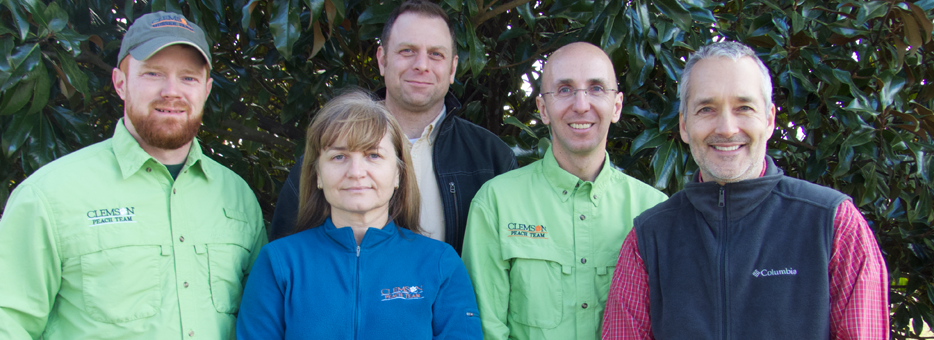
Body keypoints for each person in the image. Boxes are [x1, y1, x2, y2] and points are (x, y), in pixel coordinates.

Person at [0, 11, 267, 339]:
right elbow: (9, 323)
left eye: (188, 78)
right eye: (153, 74)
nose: (172, 91)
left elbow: (261, 321)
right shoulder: (48, 195)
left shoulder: (237, 197)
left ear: (207, 89)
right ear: (120, 83)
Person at [601, 41, 889, 340]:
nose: (726, 127)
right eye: (707, 109)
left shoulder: (833, 223)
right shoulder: (649, 237)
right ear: (685, 126)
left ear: (769, 120)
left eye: (744, 108)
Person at [269, 0, 517, 254]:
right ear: (382, 59)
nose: (422, 65)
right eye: (407, 51)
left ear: (452, 68)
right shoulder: (329, 155)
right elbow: (285, 257)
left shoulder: (492, 157)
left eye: (435, 54)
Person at [461, 42, 668, 340]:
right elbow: (485, 329)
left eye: (596, 88)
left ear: (617, 106)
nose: (581, 105)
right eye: (565, 89)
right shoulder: (496, 203)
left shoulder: (655, 211)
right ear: (543, 109)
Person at [236, 90, 482, 339]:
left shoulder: (440, 263)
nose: (356, 172)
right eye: (339, 156)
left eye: (373, 155)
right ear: (318, 175)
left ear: (398, 173)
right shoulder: (278, 263)